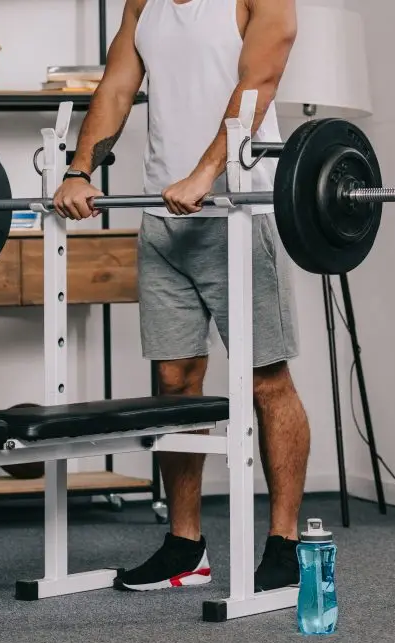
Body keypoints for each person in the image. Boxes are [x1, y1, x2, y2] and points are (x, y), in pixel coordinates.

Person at [53, 0, 310, 593]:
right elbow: (117, 87)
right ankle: (185, 545)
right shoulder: (142, 3)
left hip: (238, 209)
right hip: (162, 218)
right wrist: (79, 170)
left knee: (266, 379)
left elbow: (259, 82)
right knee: (174, 380)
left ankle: (285, 543)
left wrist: (204, 172)